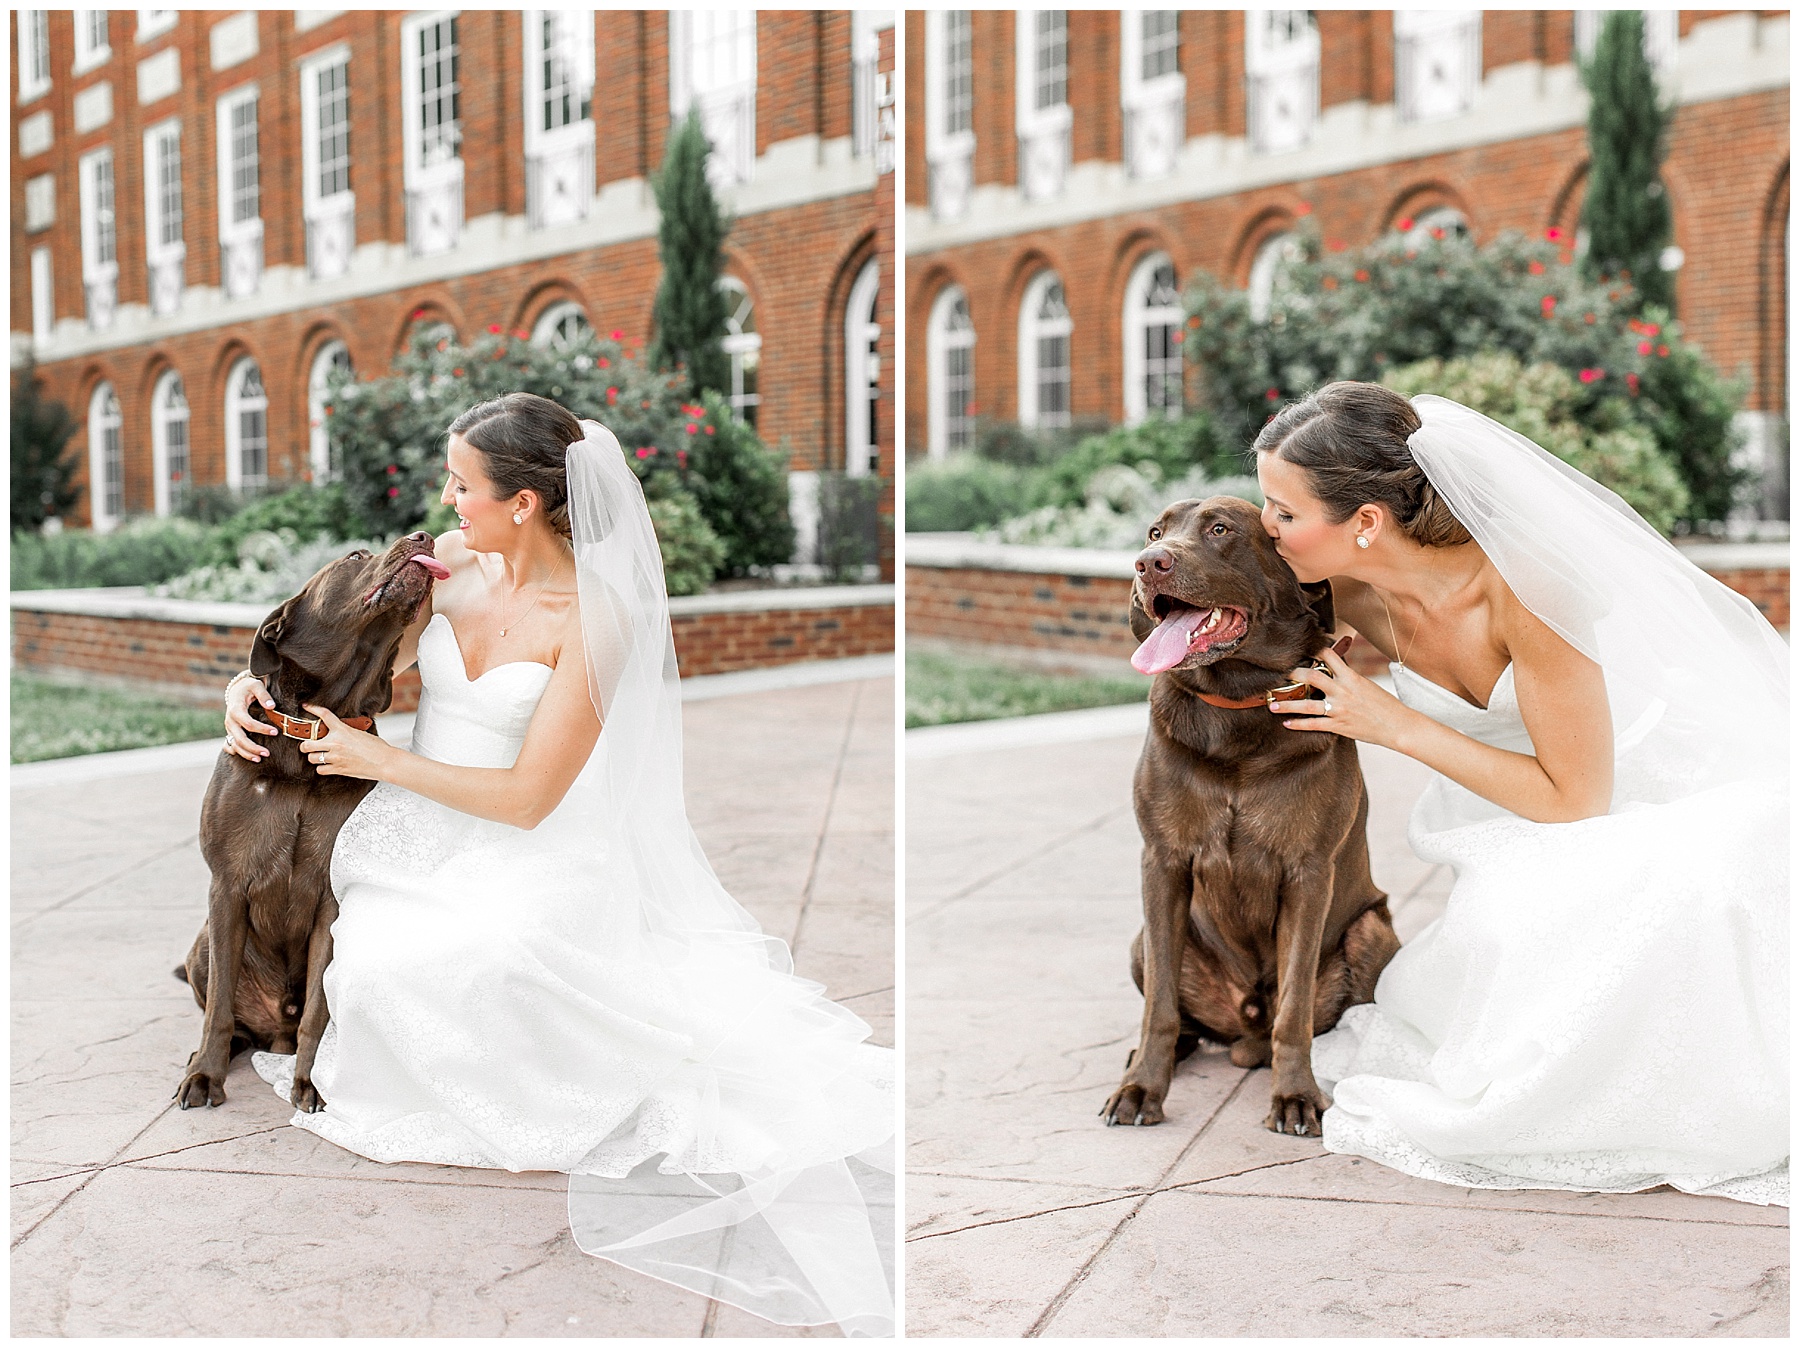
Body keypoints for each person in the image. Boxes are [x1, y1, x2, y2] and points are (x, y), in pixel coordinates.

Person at [223, 393, 895, 1334]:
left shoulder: (594, 618)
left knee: (501, 951)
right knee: (377, 957)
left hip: (537, 836)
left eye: (464, 484)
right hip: (422, 831)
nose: (447, 499)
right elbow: (322, 635)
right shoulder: (444, 566)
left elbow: (532, 800)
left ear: (526, 503)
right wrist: (243, 688)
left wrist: (379, 760)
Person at [1250, 381, 1787, 1206]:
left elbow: (1578, 800)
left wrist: (1391, 724)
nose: (1267, 528)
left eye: (1283, 511)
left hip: (1630, 790)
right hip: (1499, 809)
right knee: (1508, 959)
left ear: (1364, 522)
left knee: (1677, 901)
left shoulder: (1527, 586)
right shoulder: (1338, 587)